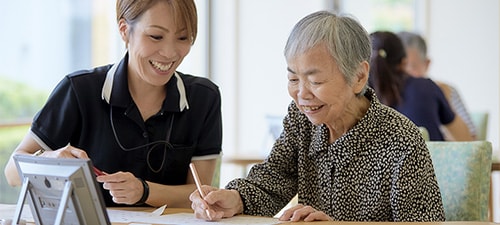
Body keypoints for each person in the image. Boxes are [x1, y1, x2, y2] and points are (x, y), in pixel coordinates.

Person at [190, 11, 445, 222]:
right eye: (292, 78)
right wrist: (235, 199)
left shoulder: (401, 140)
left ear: (358, 77)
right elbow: (274, 179)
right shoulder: (302, 120)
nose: (301, 94)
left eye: (315, 80)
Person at [4, 0, 222, 208]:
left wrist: (144, 191)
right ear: (124, 30)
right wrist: (50, 159)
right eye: (156, 36)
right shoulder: (79, 89)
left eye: (183, 38)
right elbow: (12, 172)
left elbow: (200, 193)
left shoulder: (204, 98)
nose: (170, 53)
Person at [368, 31, 473, 141]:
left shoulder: (358, 96)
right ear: (403, 63)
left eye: (413, 67)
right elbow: (467, 142)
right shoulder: (428, 88)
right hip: (431, 157)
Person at [396, 31, 477, 139]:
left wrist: (446, 105)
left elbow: (473, 142)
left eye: (411, 68)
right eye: (399, 70)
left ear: (426, 64)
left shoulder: (443, 90)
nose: (405, 76)